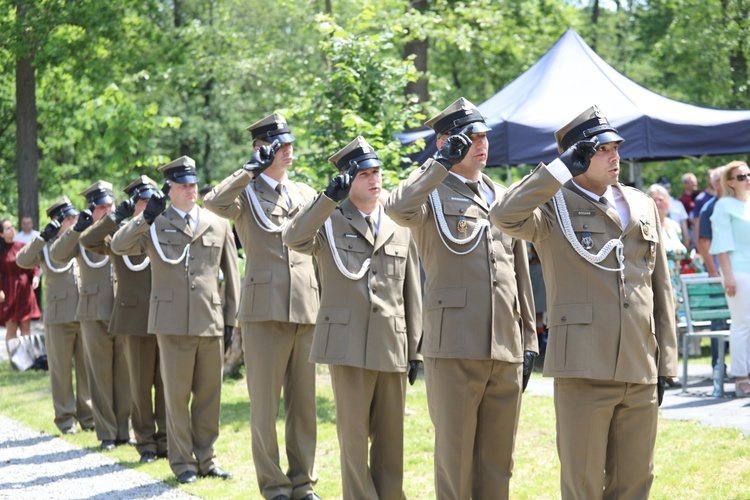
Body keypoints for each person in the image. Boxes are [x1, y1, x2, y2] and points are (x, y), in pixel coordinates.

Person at [491, 105, 678, 499]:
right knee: (584, 484)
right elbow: (504, 216)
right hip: (583, 368)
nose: (615, 156)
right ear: (577, 155)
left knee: (636, 482)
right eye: (602, 149)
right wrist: (558, 171)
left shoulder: (641, 203)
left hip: (639, 363)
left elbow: (659, 287)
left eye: (616, 147)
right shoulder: (552, 205)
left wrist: (666, 363)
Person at [386, 97, 537, 499]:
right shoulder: (429, 193)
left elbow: (519, 270)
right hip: (453, 344)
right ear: (445, 143)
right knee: (455, 457)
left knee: (498, 459)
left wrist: (529, 339)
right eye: (470, 138)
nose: (481, 144)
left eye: (484, 136)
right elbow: (397, 208)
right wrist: (438, 165)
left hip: (504, 343)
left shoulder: (503, 195)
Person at [283, 137, 422, 499]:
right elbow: (294, 238)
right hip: (347, 345)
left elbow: (411, 292)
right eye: (364, 174)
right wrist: (328, 198)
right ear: (348, 179)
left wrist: (415, 350)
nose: (374, 180)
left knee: (392, 439)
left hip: (391, 344)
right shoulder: (329, 221)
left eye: (376, 172)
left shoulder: (397, 224)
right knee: (354, 439)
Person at [202, 113, 321, 500]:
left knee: (303, 407)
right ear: (261, 148)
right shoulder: (245, 193)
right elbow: (212, 202)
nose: (288, 151)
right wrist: (248, 170)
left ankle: (303, 483)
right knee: (265, 408)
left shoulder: (303, 192)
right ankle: (274, 487)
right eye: (279, 146)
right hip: (264, 311)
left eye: (290, 144)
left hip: (305, 307)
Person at [110, 156, 239, 485]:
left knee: (210, 396)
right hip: (170, 322)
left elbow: (231, 275)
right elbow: (120, 245)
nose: (191, 190)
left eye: (194, 184)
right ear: (169, 190)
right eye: (183, 186)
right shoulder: (156, 222)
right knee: (176, 397)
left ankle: (207, 459)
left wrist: (230, 319)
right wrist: (144, 218)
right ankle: (182, 463)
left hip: (209, 320)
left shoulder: (218, 222)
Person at [79, 176, 167, 463]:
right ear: (134, 204)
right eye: (143, 200)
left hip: (167, 314)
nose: (149, 204)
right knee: (140, 387)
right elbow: (88, 240)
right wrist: (116, 216)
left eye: (151, 199)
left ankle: (166, 440)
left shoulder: (166, 226)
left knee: (166, 384)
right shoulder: (118, 233)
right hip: (135, 318)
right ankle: (145, 444)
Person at [49, 181, 131, 451]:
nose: (106, 210)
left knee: (123, 374)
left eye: (109, 205)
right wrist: (76, 228)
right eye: (101, 207)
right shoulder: (82, 235)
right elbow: (58, 254)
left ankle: (123, 430)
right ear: (91, 210)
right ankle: (106, 432)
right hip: (93, 310)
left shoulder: (120, 229)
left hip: (121, 308)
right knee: (99, 375)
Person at [16, 198, 94, 434]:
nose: (72, 222)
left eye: (73, 218)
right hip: (59, 317)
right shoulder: (47, 245)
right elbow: (22, 260)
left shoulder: (82, 238)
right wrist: (41, 238)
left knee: (86, 369)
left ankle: (88, 416)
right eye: (67, 219)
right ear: (56, 221)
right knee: (60, 371)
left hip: (85, 312)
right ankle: (65, 418)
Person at [709, 161, 750, 397]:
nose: (747, 179)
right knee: (742, 324)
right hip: (738, 272)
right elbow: (721, 246)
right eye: (741, 176)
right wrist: (728, 277)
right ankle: (741, 377)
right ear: (731, 182)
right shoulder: (724, 206)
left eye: (748, 174)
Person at [647, 183, 698, 358]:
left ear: (668, 202)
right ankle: (657, 364)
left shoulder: (674, 226)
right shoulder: (644, 224)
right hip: (654, 281)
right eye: (654, 199)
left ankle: (670, 365)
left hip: (675, 282)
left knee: (672, 324)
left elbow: (683, 250)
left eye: (661, 199)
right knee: (658, 323)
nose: (658, 203)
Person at [697, 165, 729, 369]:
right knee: (719, 321)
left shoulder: (740, 203)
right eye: (719, 179)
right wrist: (714, 272)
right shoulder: (709, 208)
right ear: (713, 183)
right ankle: (718, 365)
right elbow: (703, 243)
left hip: (739, 270)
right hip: (719, 272)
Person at [0, 219, 42, 351]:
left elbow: (33, 264)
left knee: (26, 327)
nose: (12, 229)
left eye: (12, 227)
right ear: (1, 234)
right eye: (7, 228)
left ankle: (27, 361)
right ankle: (14, 362)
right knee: (11, 329)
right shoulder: (0, 252)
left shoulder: (22, 246)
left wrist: (35, 276)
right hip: (8, 291)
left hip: (25, 290)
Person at [657, 176, 691, 248]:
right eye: (662, 188)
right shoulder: (654, 203)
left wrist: (686, 240)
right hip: (660, 238)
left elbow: (684, 224)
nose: (665, 190)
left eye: (667, 188)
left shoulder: (677, 203)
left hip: (676, 237)